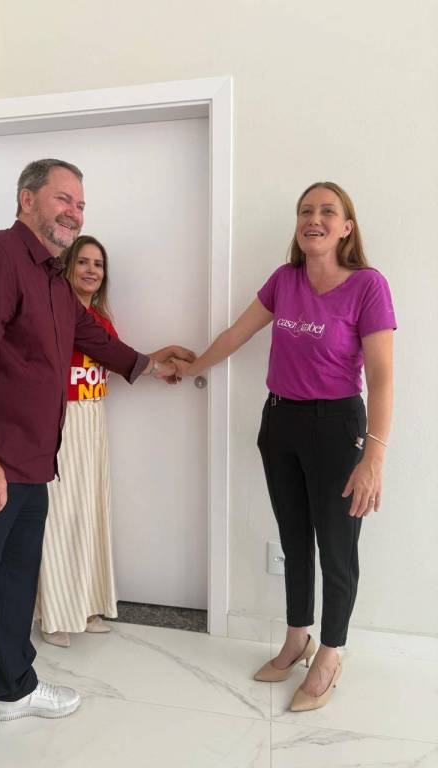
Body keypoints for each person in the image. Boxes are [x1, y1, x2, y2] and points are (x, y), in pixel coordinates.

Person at [0, 159, 192, 768]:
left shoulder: (52, 279)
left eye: (81, 204)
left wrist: (149, 364)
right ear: (27, 199)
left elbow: (90, 338)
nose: (74, 212)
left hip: (28, 466)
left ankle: (14, 689)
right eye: (63, 198)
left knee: (15, 585)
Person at [173, 182, 395, 712]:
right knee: (295, 539)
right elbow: (237, 334)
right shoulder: (284, 279)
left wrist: (374, 457)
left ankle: (331, 653)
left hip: (338, 428)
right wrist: (194, 366)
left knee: (337, 548)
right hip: (280, 423)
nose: (313, 219)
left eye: (327, 211)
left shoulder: (368, 286)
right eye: (305, 211)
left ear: (346, 227)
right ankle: (298, 639)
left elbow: (383, 377)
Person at [36, 235, 192, 646]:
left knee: (90, 511)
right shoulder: (56, 312)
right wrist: (160, 365)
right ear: (67, 267)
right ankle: (55, 614)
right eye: (83, 262)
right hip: (63, 420)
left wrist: (164, 355)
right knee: (62, 516)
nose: (91, 270)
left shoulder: (101, 320)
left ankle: (86, 605)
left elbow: (115, 361)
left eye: (98, 264)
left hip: (93, 418)